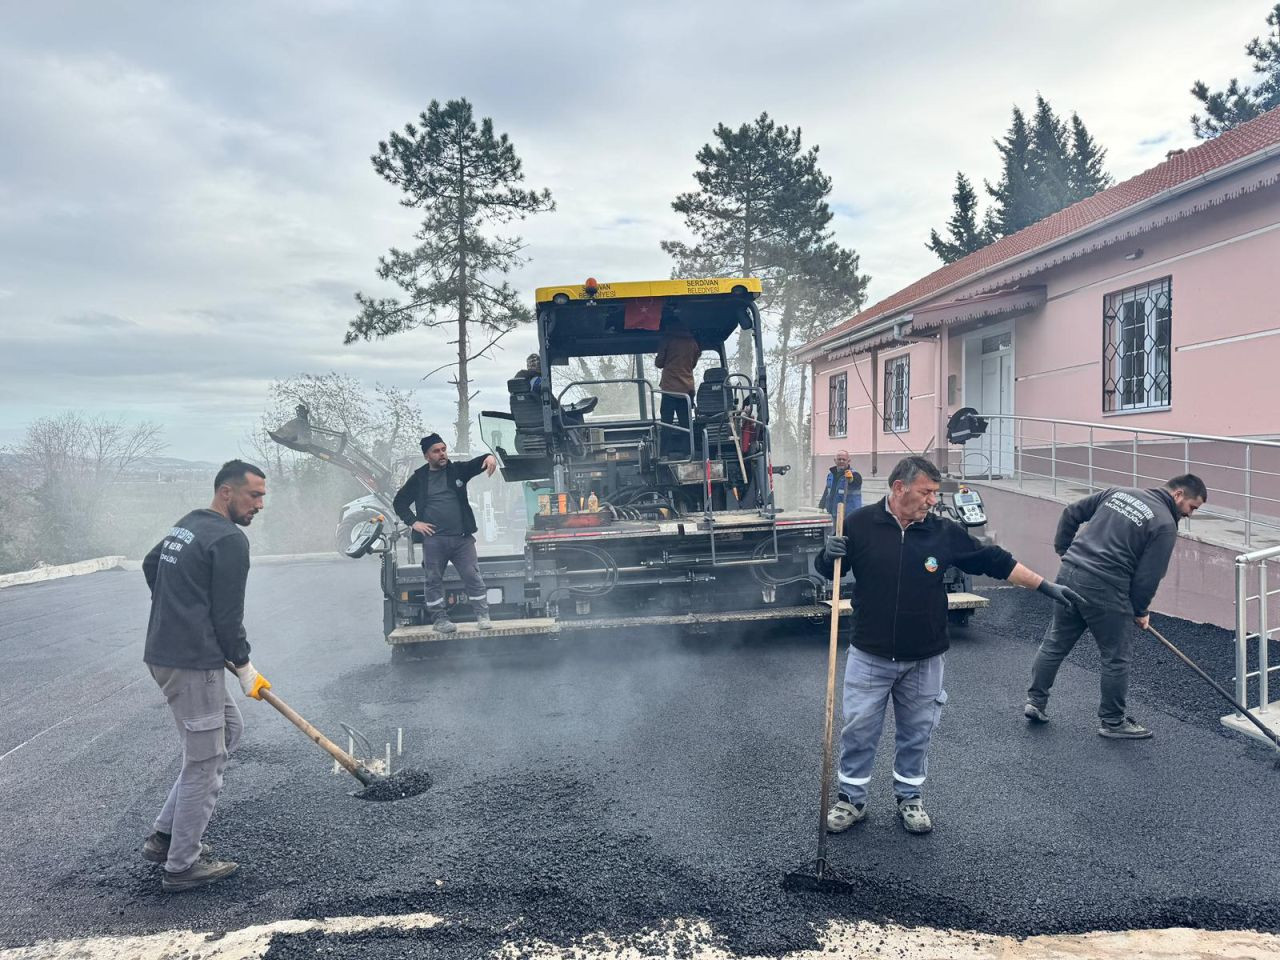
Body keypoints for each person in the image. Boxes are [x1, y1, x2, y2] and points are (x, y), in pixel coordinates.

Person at [816, 455, 1081, 835]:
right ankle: (850, 799)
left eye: (934, 494)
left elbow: (992, 560)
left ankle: (909, 797)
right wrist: (829, 554)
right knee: (858, 730)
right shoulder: (858, 525)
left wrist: (1044, 586)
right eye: (926, 492)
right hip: (869, 653)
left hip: (925, 656)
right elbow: (826, 571)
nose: (931, 500)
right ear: (899, 488)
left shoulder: (943, 532)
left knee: (917, 731)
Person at [141, 459, 270, 893]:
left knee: (230, 729)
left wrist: (178, 608)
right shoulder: (230, 540)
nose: (260, 505)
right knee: (205, 760)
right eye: (254, 495)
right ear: (226, 493)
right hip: (192, 664)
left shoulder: (189, 524)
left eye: (263, 496)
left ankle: (164, 836)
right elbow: (227, 614)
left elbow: (150, 563)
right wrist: (245, 666)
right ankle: (182, 866)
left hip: (171, 656)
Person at [1025, 474, 1207, 739]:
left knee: (1055, 642)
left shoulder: (1118, 492)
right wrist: (1140, 610)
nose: (1190, 514)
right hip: (1106, 586)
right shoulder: (1165, 524)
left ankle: (1035, 702)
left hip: (1070, 574)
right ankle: (1113, 721)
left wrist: (1065, 552)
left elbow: (1071, 512)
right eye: (1192, 507)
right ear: (1178, 494)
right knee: (1116, 656)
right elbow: (1149, 576)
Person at [393, 434, 498, 634]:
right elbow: (399, 502)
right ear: (426, 456)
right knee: (433, 580)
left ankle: (482, 615)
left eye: (443, 449)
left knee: (472, 576)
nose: (442, 454)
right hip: (434, 541)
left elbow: (478, 463)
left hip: (462, 539)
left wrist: (489, 457)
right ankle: (440, 619)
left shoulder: (457, 470)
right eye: (436, 451)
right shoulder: (419, 478)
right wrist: (414, 522)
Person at [654, 320, 701, 454]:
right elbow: (693, 364)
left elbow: (659, 363)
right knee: (686, 424)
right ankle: (688, 452)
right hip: (687, 389)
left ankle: (664, 453)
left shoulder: (667, 340)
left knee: (666, 423)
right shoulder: (692, 343)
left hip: (669, 388)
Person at [818, 450, 863, 520]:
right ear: (835, 461)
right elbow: (827, 491)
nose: (841, 461)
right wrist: (821, 505)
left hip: (850, 515)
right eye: (839, 459)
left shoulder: (855, 474)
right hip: (834, 513)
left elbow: (857, 482)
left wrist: (851, 479)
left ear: (848, 461)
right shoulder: (831, 475)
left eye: (844, 459)